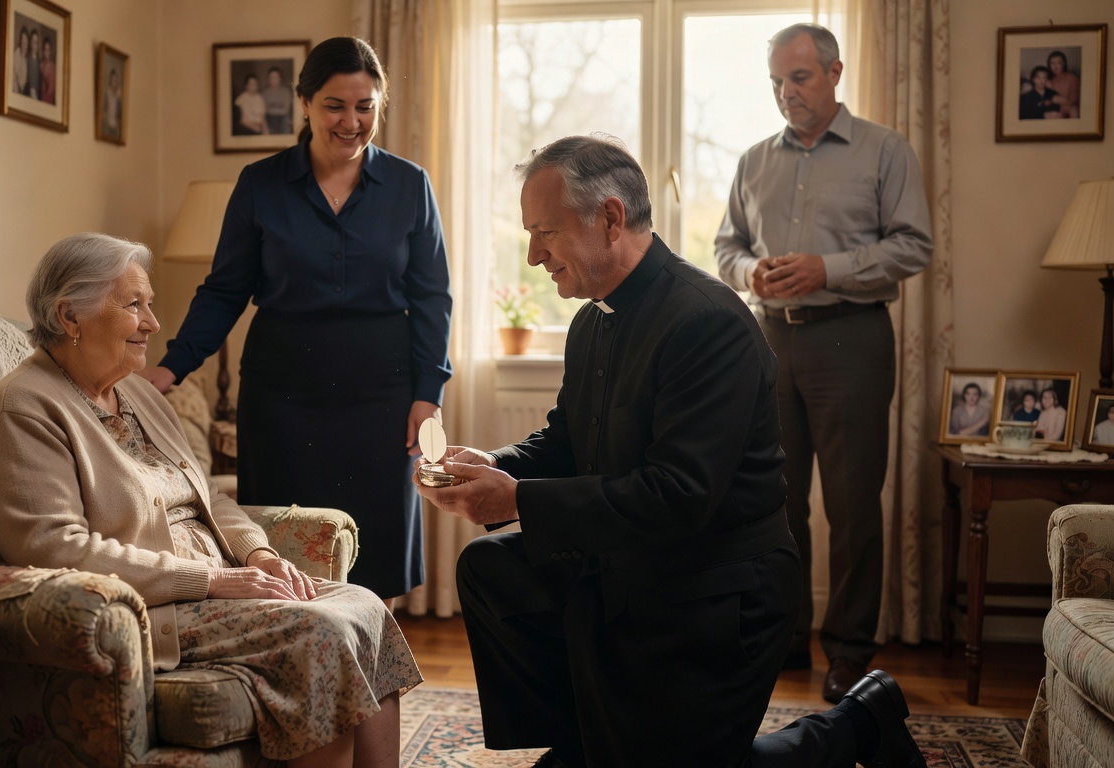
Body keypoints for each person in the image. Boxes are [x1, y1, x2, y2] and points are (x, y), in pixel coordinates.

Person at [416, 134, 924, 768]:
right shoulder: (592, 320)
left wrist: (517, 500)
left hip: (717, 592)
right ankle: (588, 741)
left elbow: (679, 496)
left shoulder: (706, 321)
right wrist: (493, 467)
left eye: (545, 232)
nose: (533, 254)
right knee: (491, 568)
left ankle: (856, 724)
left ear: (610, 218)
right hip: (632, 567)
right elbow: (569, 441)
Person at [0, 232, 419, 768]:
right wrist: (212, 579)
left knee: (366, 608)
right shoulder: (23, 410)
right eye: (134, 304)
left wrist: (257, 554)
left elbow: (209, 496)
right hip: (155, 608)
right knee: (326, 631)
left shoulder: (137, 393)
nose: (153, 323)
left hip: (219, 584)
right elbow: (56, 550)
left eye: (149, 304)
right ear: (69, 316)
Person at [136, 37, 452, 603]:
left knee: (375, 557)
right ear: (304, 103)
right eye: (335, 105)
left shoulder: (411, 185)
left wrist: (429, 392)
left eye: (366, 106)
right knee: (284, 556)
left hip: (381, 395)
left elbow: (433, 298)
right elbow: (224, 291)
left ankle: (373, 661)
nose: (351, 122)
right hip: (282, 396)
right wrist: (171, 367)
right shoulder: (260, 184)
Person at [714, 22, 933, 703]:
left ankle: (849, 650)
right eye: (777, 81)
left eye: (800, 77)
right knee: (772, 500)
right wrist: (749, 273)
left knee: (852, 504)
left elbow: (914, 245)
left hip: (851, 339)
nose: (786, 92)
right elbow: (726, 247)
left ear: (835, 74)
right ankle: (782, 637)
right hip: (769, 342)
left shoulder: (884, 150)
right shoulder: (754, 160)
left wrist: (826, 269)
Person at [1047, 50, 1080, 119]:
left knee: (1074, 110)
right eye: (1053, 63)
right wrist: (1051, 101)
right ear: (1049, 65)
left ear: (1064, 63)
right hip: (1054, 111)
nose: (1056, 66)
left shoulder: (1072, 77)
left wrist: (1062, 100)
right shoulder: (1047, 80)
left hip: (1070, 109)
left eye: (1059, 63)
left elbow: (1073, 100)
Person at [263, 67, 294, 134]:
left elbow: (286, 110)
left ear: (280, 78)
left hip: (283, 119)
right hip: (269, 119)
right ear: (268, 79)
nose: (274, 80)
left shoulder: (286, 92)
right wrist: (279, 107)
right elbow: (265, 111)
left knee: (285, 120)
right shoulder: (265, 93)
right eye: (272, 77)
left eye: (276, 77)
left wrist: (272, 108)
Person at [102, 68, 122, 138]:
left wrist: (119, 99)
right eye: (113, 79)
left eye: (115, 79)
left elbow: (120, 113)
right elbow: (104, 110)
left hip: (115, 126)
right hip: (108, 125)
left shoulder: (118, 94)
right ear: (110, 79)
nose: (114, 81)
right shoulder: (107, 93)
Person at [12, 29, 29, 96]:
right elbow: (13, 74)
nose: (24, 42)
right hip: (14, 89)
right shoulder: (17, 53)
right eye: (22, 39)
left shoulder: (27, 60)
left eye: (25, 40)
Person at [26, 30, 42, 100]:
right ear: (30, 43)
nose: (35, 44)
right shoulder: (27, 58)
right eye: (33, 41)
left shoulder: (39, 61)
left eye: (36, 42)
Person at [40, 38, 56, 104]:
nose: (46, 52)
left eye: (48, 50)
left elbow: (50, 90)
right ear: (43, 51)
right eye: (45, 49)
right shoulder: (41, 65)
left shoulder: (52, 67)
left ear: (50, 52)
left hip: (47, 101)